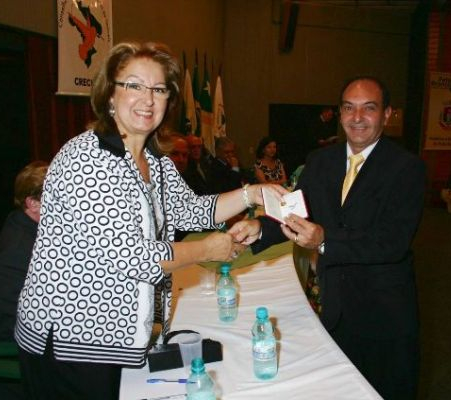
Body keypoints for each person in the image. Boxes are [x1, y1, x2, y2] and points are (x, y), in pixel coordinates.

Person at [14, 41, 287, 399]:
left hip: (116, 338)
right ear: (109, 95)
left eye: (158, 89)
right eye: (134, 85)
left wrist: (252, 194)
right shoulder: (87, 159)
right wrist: (207, 249)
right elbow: (132, 257)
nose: (148, 99)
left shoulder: (154, 160)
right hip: (71, 341)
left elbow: (192, 210)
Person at [230, 76, 426, 400]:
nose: (357, 117)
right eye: (349, 108)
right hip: (333, 305)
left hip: (383, 314)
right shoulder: (320, 161)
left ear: (387, 114)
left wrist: (324, 242)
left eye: (369, 108)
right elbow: (296, 212)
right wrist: (260, 228)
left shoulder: (407, 169)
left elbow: (392, 242)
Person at [0, 160, 48, 400]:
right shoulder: (16, 252)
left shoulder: (30, 229)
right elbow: (15, 326)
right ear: (33, 203)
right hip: (13, 353)